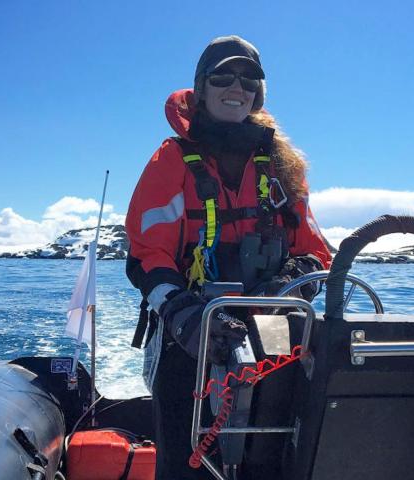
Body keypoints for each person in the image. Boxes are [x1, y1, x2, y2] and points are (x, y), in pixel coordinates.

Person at [125, 35, 332, 480]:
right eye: (222, 76)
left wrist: (286, 288)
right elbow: (146, 254)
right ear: (201, 88)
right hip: (189, 339)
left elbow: (315, 252)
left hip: (275, 337)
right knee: (186, 463)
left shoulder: (281, 166)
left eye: (248, 77)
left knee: (269, 460)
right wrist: (183, 314)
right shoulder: (172, 160)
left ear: (259, 92)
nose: (235, 86)